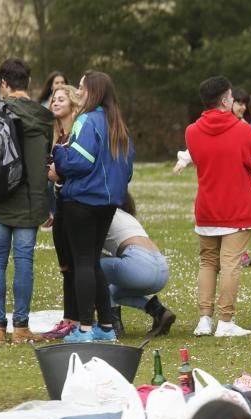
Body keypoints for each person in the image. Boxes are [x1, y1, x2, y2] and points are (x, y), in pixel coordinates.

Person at [52, 70, 134, 342]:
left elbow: (77, 161)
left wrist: (59, 152)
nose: (79, 92)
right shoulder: (118, 125)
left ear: (93, 92)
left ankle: (84, 329)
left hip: (82, 201)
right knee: (94, 261)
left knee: (83, 263)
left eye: (83, 88)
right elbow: (127, 170)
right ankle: (107, 327)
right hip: (107, 204)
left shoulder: (86, 120)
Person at [0, 58, 54, 344]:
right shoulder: (43, 117)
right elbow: (47, 155)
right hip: (31, 199)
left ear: (4, 84)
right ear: (29, 82)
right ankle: (21, 327)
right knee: (24, 261)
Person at [186, 76, 251, 338]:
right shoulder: (243, 130)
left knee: (208, 262)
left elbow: (198, 159)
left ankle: (204, 319)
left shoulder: (192, 131)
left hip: (206, 207)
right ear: (225, 100)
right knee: (230, 264)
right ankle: (225, 320)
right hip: (237, 207)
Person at [100, 193, 175, 337]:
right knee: (114, 293)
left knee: (92, 269)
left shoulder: (103, 213)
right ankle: (159, 311)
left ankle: (112, 325)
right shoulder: (126, 216)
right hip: (161, 270)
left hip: (139, 268)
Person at [41, 83, 83, 340]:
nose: (55, 103)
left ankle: (77, 319)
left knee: (78, 265)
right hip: (60, 204)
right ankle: (68, 317)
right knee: (65, 266)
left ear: (73, 104)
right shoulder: (55, 135)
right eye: (53, 100)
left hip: (75, 203)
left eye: (60, 99)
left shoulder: (78, 133)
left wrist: (58, 174)